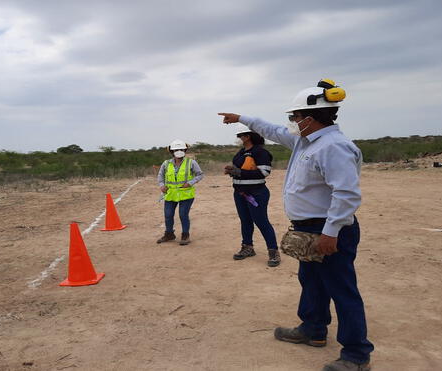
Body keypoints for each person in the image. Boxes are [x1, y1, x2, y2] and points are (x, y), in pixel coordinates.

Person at [218, 79, 374, 371]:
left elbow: (346, 194)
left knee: (342, 289)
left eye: (295, 117)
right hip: (308, 228)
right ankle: (313, 329)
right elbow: (272, 131)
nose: (291, 122)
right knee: (311, 280)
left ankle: (356, 354)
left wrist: (331, 232)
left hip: (328, 229)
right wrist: (241, 118)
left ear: (309, 118)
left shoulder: (334, 147)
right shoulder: (305, 141)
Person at [225, 124, 281, 267]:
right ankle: (247, 247)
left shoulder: (260, 152)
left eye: (240, 136)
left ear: (247, 136)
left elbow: (264, 173)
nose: (239, 138)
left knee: (261, 221)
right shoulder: (241, 152)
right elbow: (240, 170)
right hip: (239, 193)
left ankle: (273, 251)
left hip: (256, 193)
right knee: (245, 221)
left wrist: (239, 172)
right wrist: (232, 170)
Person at [156, 139, 204, 245]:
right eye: (176, 149)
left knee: (183, 214)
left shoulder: (191, 162)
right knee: (168, 215)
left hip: (186, 194)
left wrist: (190, 183)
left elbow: (200, 174)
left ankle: (185, 235)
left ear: (185, 150)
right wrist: (161, 185)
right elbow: (160, 176)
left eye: (181, 149)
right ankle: (169, 234)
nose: (179, 151)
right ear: (172, 151)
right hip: (170, 194)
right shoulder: (166, 163)